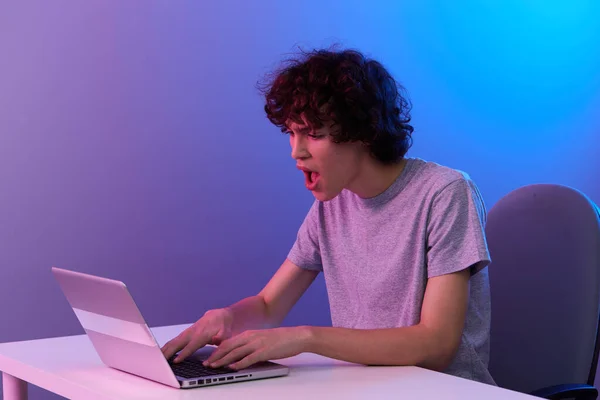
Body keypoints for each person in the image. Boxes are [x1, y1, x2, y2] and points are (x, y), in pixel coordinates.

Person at [161, 47, 495, 385]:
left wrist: (306, 338)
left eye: (314, 134)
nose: (296, 151)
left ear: (365, 133)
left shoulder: (446, 192)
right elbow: (267, 305)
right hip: (366, 388)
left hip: (444, 389)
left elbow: (436, 345)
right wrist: (225, 317)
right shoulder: (331, 205)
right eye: (291, 133)